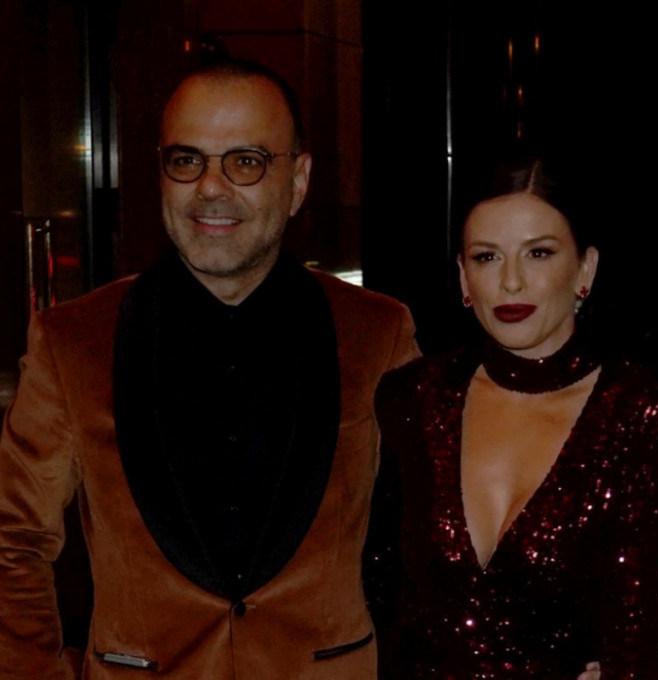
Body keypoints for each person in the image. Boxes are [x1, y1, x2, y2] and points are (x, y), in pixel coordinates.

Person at [0, 59, 419, 679]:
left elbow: (426, 533)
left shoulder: (377, 333)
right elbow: (12, 540)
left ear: (298, 181)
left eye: (246, 161)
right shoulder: (73, 340)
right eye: (187, 160)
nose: (211, 188)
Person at [374, 156, 658, 678]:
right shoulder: (412, 398)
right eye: (487, 257)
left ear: (585, 269)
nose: (511, 282)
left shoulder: (648, 414)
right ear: (463, 275)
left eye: (538, 253)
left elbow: (653, 623)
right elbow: (379, 589)